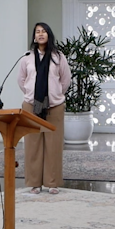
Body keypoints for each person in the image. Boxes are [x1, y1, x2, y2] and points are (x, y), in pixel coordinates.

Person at [18, 22, 71, 195]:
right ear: (34, 36)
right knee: (32, 144)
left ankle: (52, 182)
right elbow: (21, 80)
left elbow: (65, 80)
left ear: (49, 34)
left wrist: (54, 95)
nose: (40, 34)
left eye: (44, 31)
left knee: (53, 144)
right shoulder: (27, 57)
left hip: (53, 106)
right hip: (31, 106)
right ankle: (34, 183)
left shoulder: (58, 56)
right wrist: (32, 94)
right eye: (37, 32)